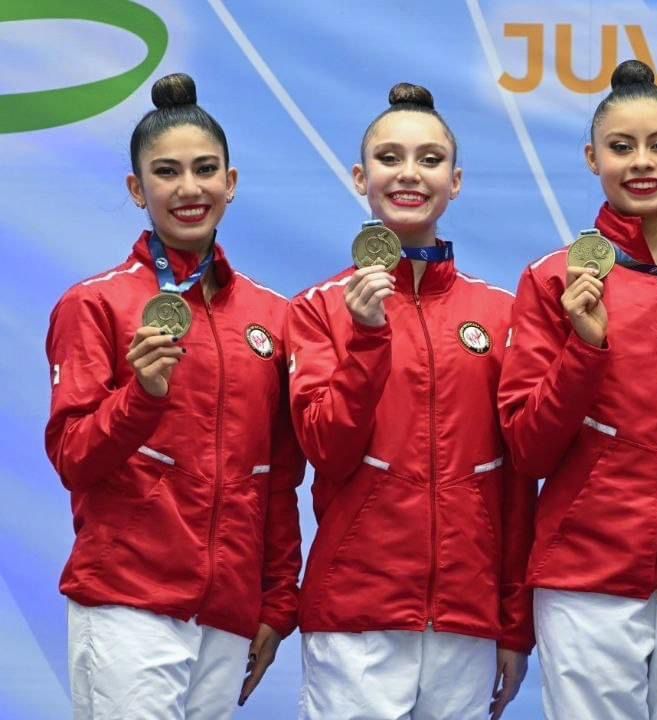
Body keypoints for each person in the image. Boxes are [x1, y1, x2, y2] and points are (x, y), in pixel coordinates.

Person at [497, 59, 657, 719]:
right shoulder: (554, 279)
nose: (642, 162)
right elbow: (527, 448)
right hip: (585, 571)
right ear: (591, 158)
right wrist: (585, 347)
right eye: (622, 147)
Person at [45, 72, 303, 718]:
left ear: (232, 182)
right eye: (167, 173)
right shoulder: (95, 305)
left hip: (229, 614)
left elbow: (277, 477)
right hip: (129, 603)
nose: (189, 189)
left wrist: (277, 598)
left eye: (205, 169)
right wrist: (143, 396)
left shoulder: (274, 318)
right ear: (137, 190)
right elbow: (74, 456)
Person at [287, 83, 534, 720]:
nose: (409, 173)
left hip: (465, 621)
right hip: (357, 618)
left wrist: (512, 622)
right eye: (390, 157)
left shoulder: (498, 312)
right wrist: (367, 337)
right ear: (359, 176)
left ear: (456, 180)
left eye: (429, 159)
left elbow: (512, 484)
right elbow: (328, 451)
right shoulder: (318, 311)